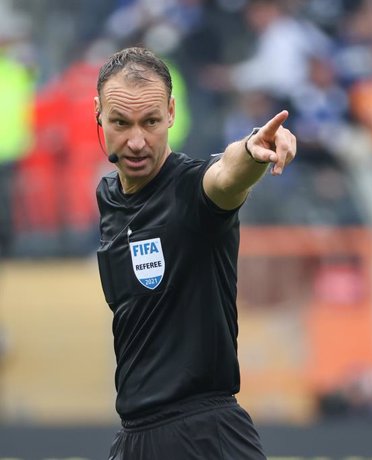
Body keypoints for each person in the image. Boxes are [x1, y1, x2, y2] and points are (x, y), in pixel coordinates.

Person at [94, 47, 296, 459]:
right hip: (136, 437)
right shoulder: (110, 197)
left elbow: (225, 176)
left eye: (150, 122)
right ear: (98, 113)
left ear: (170, 112)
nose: (136, 141)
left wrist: (254, 148)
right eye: (120, 123)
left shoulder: (190, 191)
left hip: (205, 436)